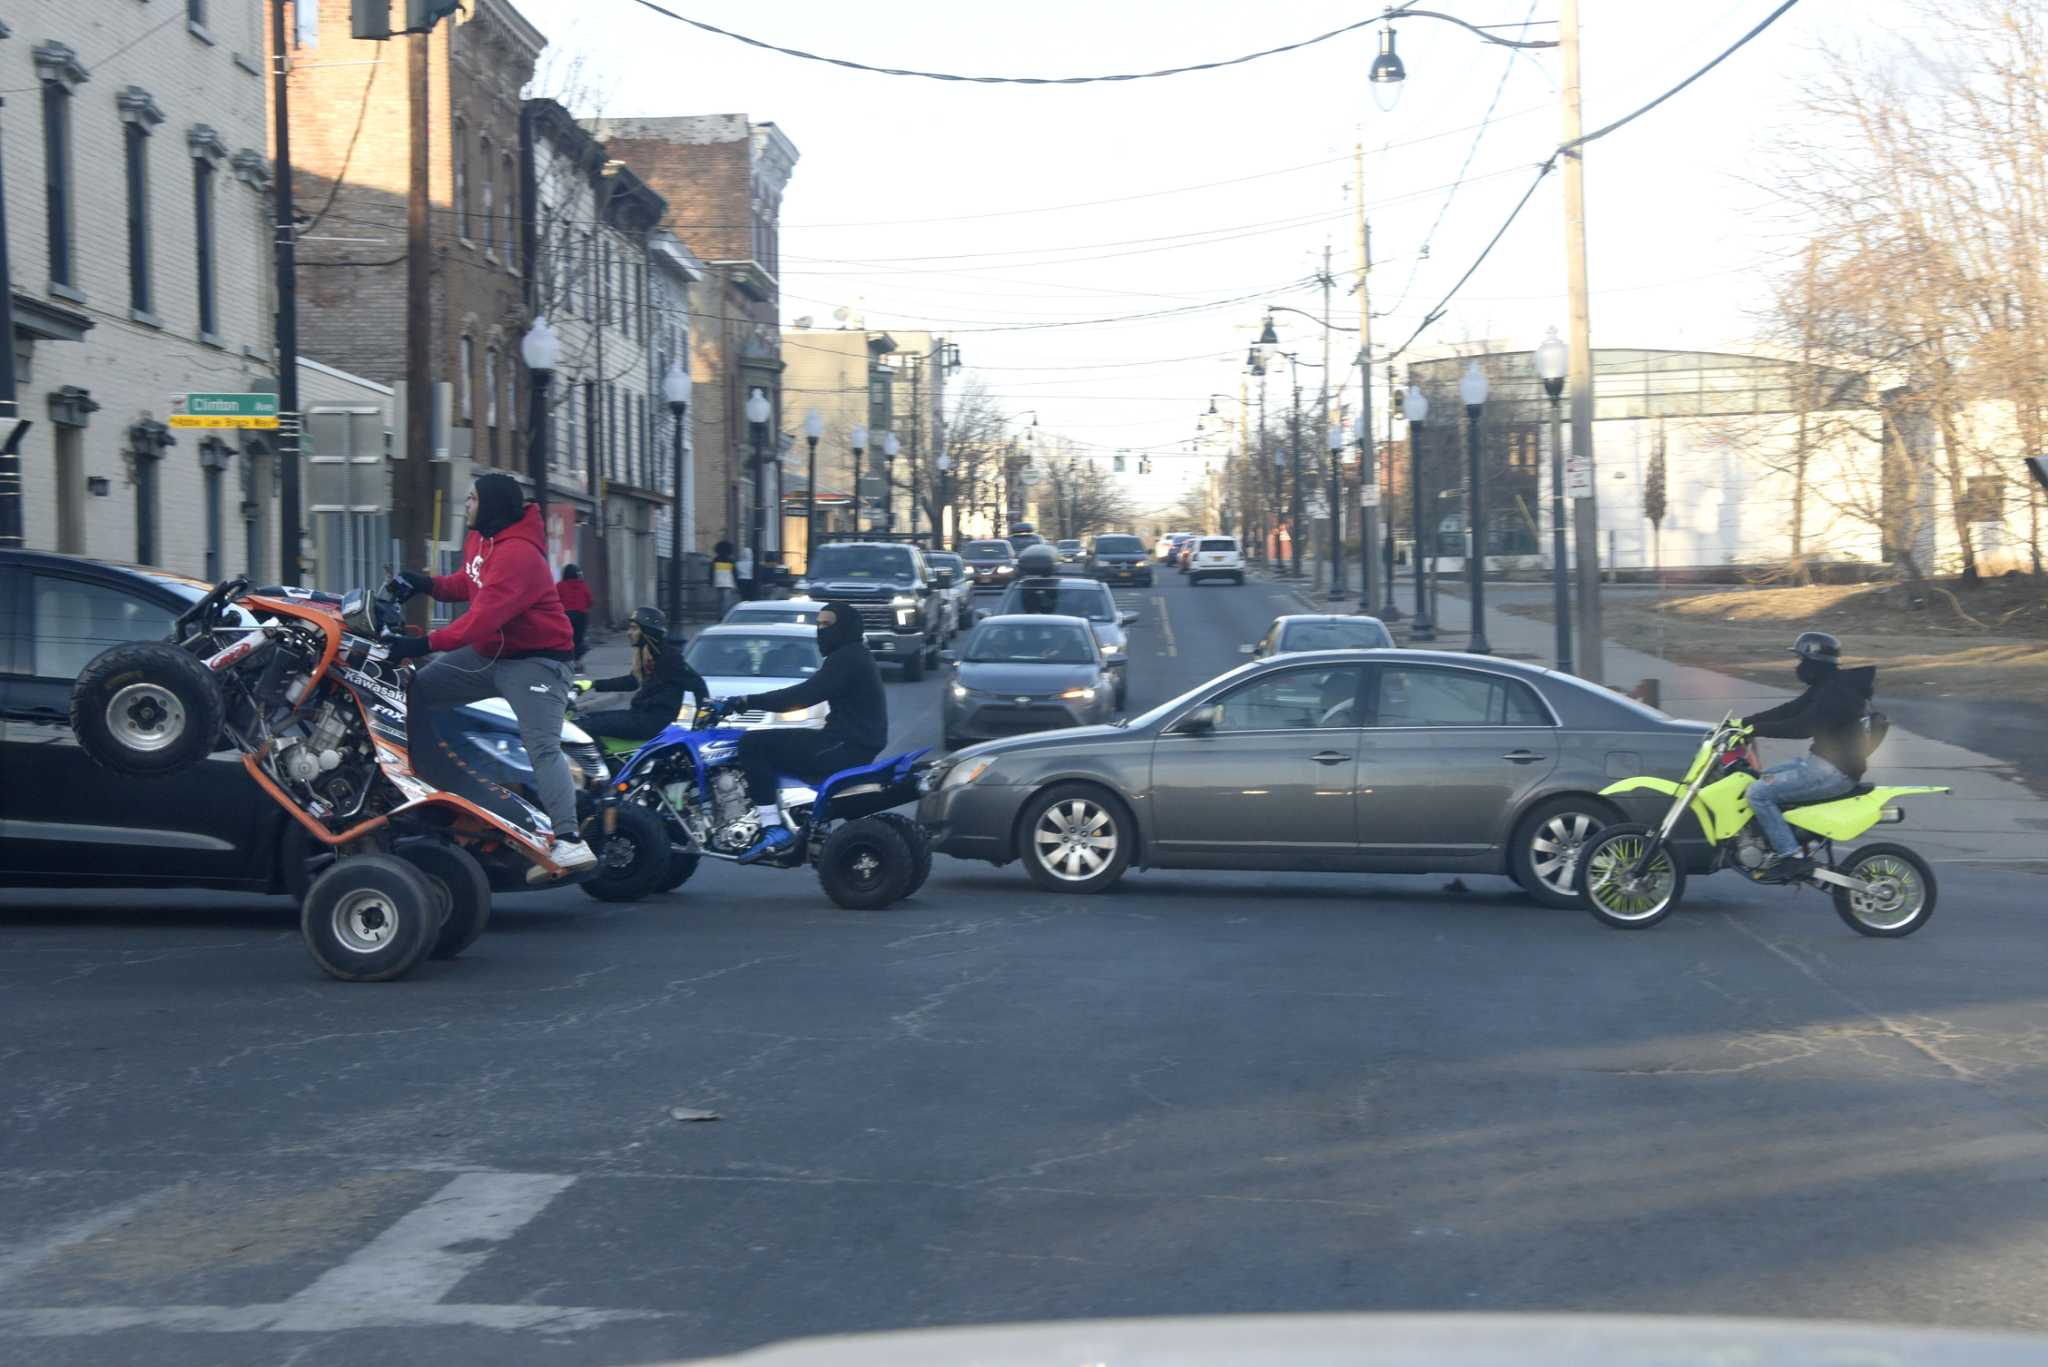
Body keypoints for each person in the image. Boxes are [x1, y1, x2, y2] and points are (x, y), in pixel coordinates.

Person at [386, 472, 594, 876]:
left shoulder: (520, 555)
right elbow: (469, 583)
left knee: (543, 748)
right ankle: (426, 782)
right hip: (490, 654)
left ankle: (570, 841)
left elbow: (480, 619)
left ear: (494, 505)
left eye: (473, 499)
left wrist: (422, 644)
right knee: (414, 692)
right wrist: (426, 584)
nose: (466, 505)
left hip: (538, 662)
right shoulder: (482, 540)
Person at [723, 600, 886, 863]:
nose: (821, 630)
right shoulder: (855, 655)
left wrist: (747, 701)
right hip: (853, 743)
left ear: (845, 626)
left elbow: (804, 694)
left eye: (827, 624)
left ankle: (772, 827)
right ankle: (804, 821)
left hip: (844, 743)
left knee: (753, 743)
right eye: (818, 624)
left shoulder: (846, 658)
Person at [1739, 631, 1878, 883]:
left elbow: (1803, 726)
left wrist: (1756, 729)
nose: (1799, 667)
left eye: (1802, 660)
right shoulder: (1829, 686)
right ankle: (1791, 838)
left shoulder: (1838, 694)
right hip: (1823, 764)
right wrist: (1743, 723)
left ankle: (1791, 857)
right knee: (1759, 778)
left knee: (1758, 793)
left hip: (1832, 771)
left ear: (1815, 663)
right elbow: (1791, 710)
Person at [575, 606, 710, 745]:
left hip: (654, 721)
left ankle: (595, 765)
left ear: (648, 631)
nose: (629, 633)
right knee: (583, 720)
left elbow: (698, 684)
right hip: (640, 715)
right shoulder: (647, 654)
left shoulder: (670, 657)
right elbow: (632, 682)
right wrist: (592, 684)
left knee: (586, 725)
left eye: (634, 628)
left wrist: (702, 719)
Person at [557, 563, 593, 668]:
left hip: (566, 615)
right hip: (581, 615)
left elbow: (555, 600)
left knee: (566, 639)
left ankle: (568, 661)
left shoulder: (559, 586)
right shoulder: (582, 585)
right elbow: (590, 601)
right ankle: (578, 662)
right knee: (579, 639)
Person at [712, 540, 738, 617]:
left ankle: (719, 614)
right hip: (727, 582)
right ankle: (724, 615)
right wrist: (735, 582)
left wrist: (711, 581)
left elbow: (711, 571)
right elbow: (734, 572)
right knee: (726, 601)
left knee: (719, 600)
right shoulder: (730, 560)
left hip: (718, 581)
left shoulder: (715, 560)